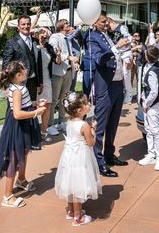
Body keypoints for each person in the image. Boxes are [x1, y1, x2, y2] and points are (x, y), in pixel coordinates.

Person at [83, 11, 131, 177]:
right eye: (103, 21)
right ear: (95, 22)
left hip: (117, 83)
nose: (106, 24)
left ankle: (109, 154)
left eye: (106, 21)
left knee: (114, 121)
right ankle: (98, 160)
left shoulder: (108, 35)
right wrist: (116, 47)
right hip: (105, 85)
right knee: (101, 124)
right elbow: (98, 59)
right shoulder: (92, 37)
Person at [0, 61, 47, 208]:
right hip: (18, 125)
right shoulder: (17, 89)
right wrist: (37, 112)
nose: (26, 69)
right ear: (18, 75)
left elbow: (23, 104)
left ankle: (21, 180)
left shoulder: (18, 87)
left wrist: (35, 103)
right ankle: (7, 195)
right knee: (14, 157)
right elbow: (17, 113)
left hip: (23, 125)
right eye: (24, 68)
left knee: (23, 152)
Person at [54, 92, 101, 227]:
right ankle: (78, 217)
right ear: (80, 110)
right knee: (78, 187)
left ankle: (70, 210)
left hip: (69, 157)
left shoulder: (69, 122)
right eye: (86, 104)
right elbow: (91, 143)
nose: (89, 104)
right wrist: (93, 129)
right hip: (80, 158)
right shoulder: (84, 125)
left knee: (70, 184)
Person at [2, 15, 42, 101]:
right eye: (23, 24)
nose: (26, 26)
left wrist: (40, 82)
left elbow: (38, 63)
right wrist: (7, 86)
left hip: (33, 81)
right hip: (17, 82)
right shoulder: (12, 42)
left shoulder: (35, 41)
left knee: (30, 109)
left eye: (28, 24)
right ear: (18, 27)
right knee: (14, 110)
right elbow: (6, 65)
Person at [138, 45, 159, 167]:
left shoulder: (153, 71)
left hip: (152, 103)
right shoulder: (148, 65)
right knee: (148, 129)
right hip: (146, 100)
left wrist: (146, 103)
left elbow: (154, 91)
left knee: (155, 129)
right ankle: (151, 153)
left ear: (148, 57)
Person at [36, 27, 59, 138]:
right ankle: (34, 132)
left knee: (47, 105)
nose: (45, 35)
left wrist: (58, 55)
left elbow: (57, 61)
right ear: (37, 34)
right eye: (42, 32)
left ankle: (44, 131)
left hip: (47, 79)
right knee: (35, 105)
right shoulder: (33, 45)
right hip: (35, 80)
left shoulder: (49, 47)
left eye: (47, 33)